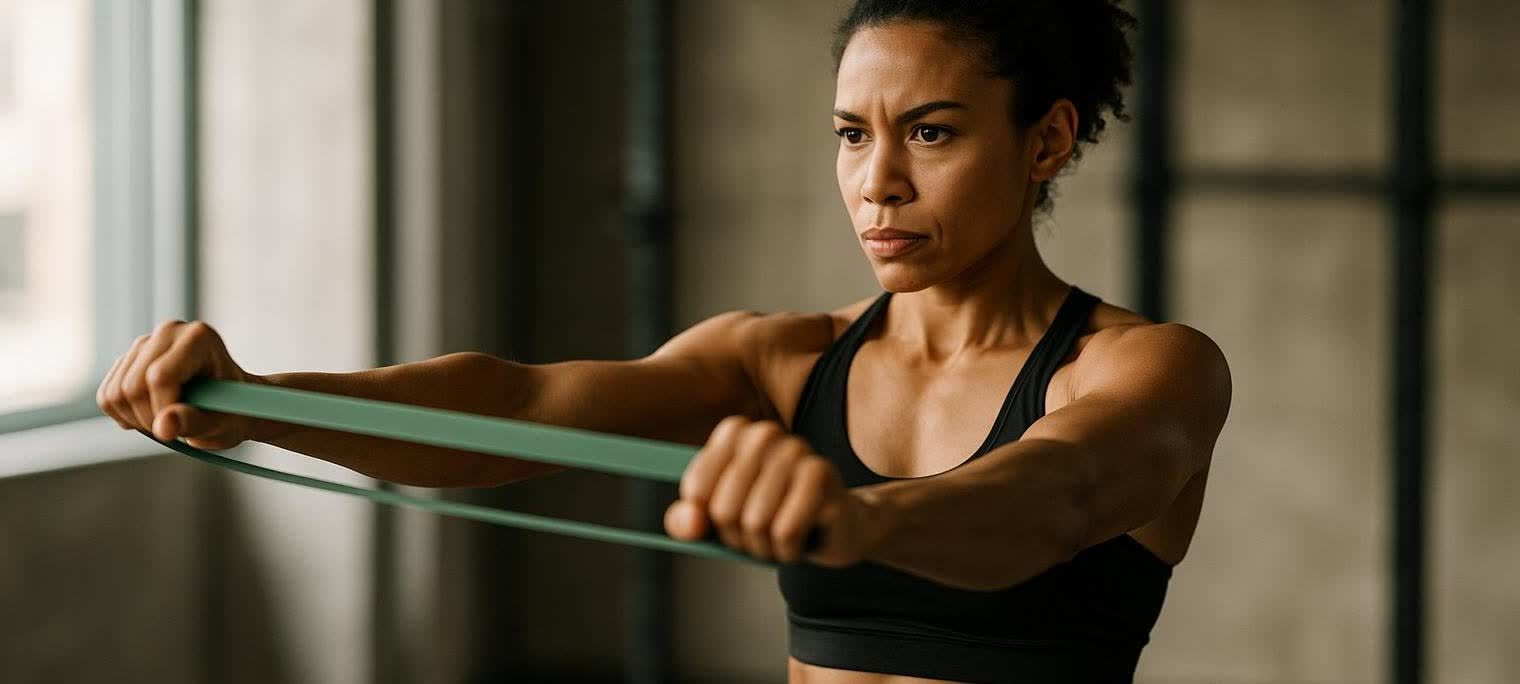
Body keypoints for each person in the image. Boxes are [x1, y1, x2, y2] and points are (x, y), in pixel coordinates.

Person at [97, 1, 1230, 681]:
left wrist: (856, 517)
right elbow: (519, 407)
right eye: (850, 135)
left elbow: (1053, 499)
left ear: (1044, 142)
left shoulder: (1149, 369)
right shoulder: (782, 360)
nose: (876, 184)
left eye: (928, 134)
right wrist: (266, 401)